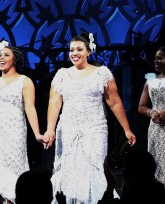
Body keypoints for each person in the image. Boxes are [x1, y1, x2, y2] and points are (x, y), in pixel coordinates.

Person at [43, 32, 136, 204]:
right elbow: (54, 103)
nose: (74, 53)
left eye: (79, 49)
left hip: (95, 128)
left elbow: (114, 102)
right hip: (69, 127)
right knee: (70, 166)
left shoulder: (101, 73)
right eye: (71, 50)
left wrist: (127, 129)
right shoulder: (61, 75)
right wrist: (50, 129)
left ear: (89, 51)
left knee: (94, 166)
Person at [0, 40, 47, 204]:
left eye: (6, 55)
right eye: (0, 55)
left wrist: (37, 133)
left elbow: (30, 108)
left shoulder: (24, 81)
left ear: (16, 59)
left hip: (13, 134)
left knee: (12, 177)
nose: (1, 58)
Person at [138, 46, 165, 185]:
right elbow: (141, 106)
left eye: (160, 58)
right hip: (155, 128)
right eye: (155, 58)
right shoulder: (151, 79)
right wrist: (151, 112)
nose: (156, 61)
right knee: (156, 162)